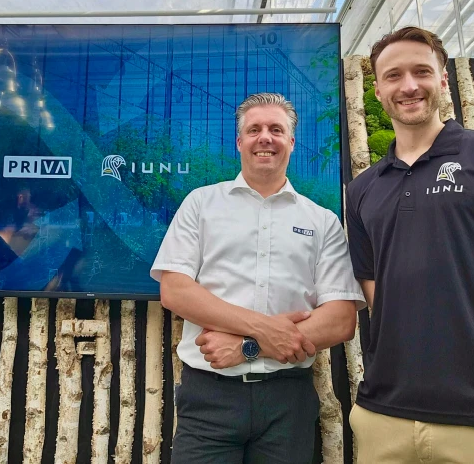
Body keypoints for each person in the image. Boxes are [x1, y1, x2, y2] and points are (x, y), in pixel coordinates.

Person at [346, 26, 474, 463]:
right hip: (383, 419)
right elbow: (377, 297)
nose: (409, 85)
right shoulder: (362, 190)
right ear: (377, 89)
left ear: (444, 80)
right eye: (394, 75)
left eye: (421, 71)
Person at [152, 92, 365, 464]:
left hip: (288, 401)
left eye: (276, 129)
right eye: (254, 129)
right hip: (208, 400)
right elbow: (175, 290)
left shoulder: (323, 221)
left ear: (291, 142)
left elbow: (342, 319)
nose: (265, 137)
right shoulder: (200, 204)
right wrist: (265, 330)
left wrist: (250, 346)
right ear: (239, 142)